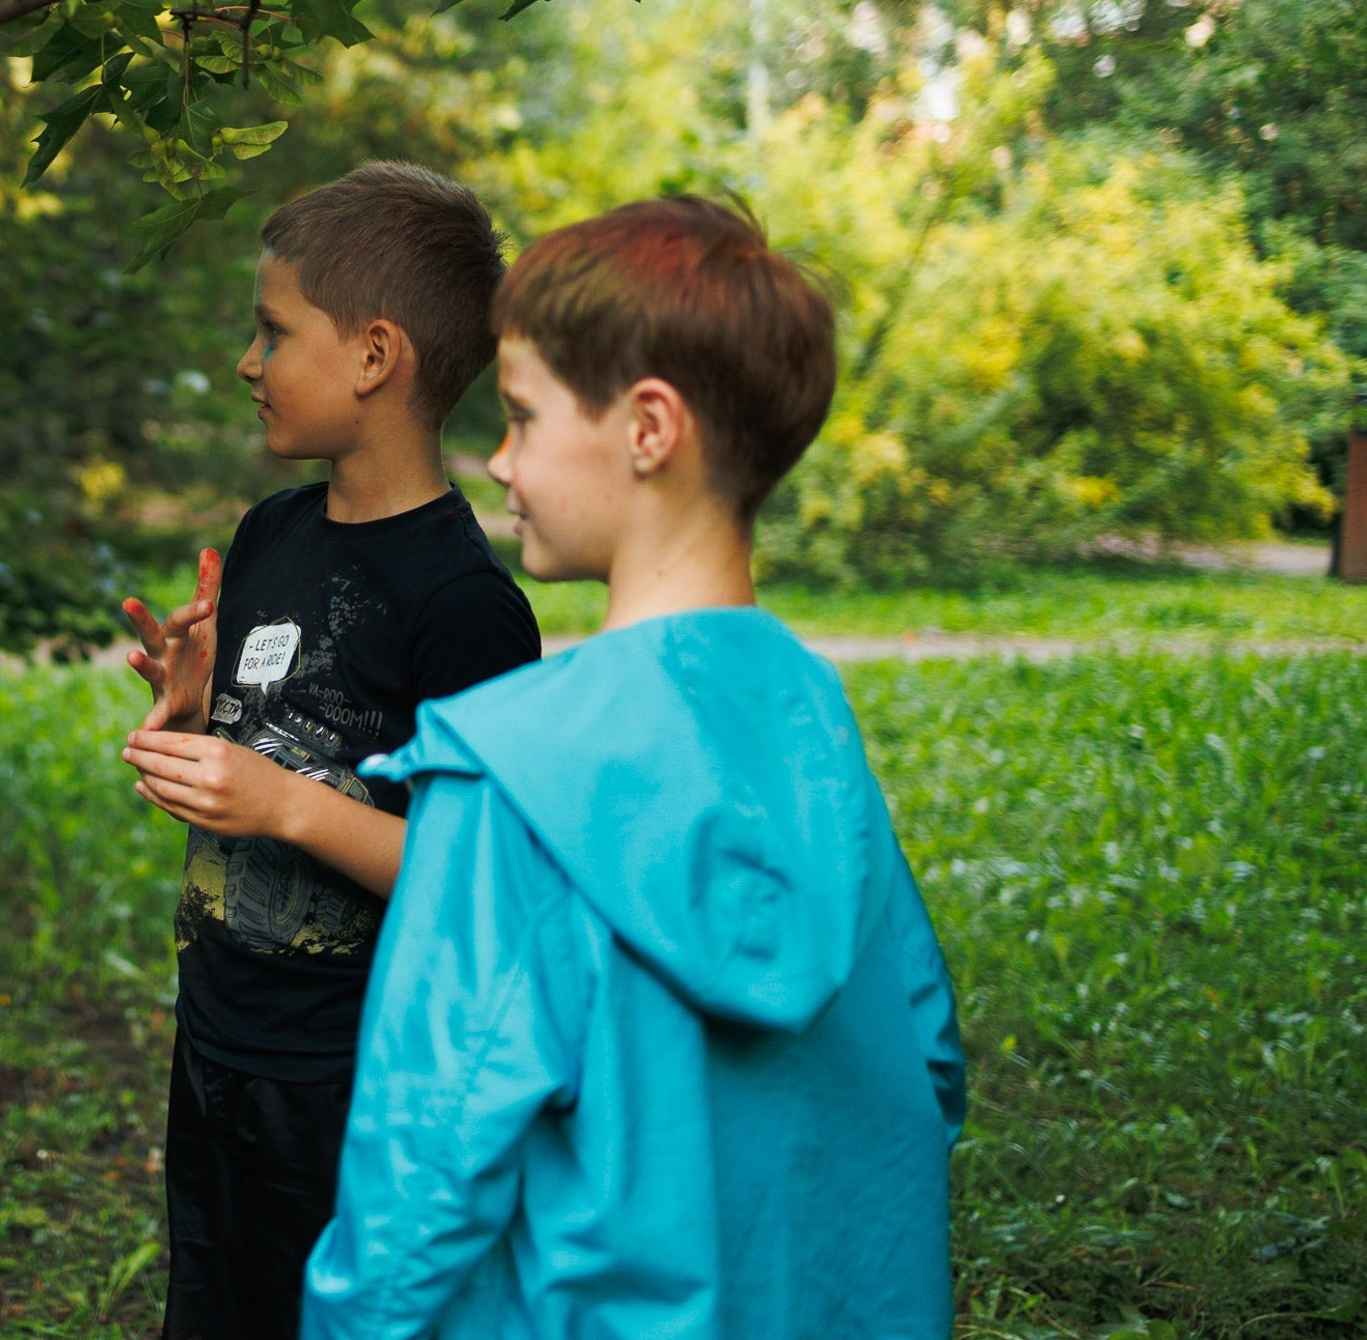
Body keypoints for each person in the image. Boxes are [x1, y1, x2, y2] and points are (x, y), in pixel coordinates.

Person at [299, 196, 966, 1339]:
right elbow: (925, 1069)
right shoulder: (812, 732)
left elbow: (419, 1181)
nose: (499, 461)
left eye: (521, 415)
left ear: (648, 428)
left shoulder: (503, 776)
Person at [119, 163, 545, 1340]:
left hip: (353, 1075)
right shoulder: (270, 533)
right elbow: (278, 762)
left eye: (271, 333)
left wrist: (276, 802)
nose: (245, 364)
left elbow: (476, 878)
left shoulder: (464, 607)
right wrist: (201, 728)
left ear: (372, 355)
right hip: (214, 1031)